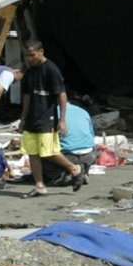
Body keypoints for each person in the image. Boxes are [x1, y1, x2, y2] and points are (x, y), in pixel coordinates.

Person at [17, 39, 85, 197]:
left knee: (47, 152)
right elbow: (27, 96)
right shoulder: (29, 72)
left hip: (46, 118)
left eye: (32, 55)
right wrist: (23, 118)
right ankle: (39, 186)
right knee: (32, 153)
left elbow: (61, 94)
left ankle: (74, 169)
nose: (30, 59)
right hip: (32, 119)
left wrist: (62, 119)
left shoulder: (51, 69)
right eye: (27, 56)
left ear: (41, 52)